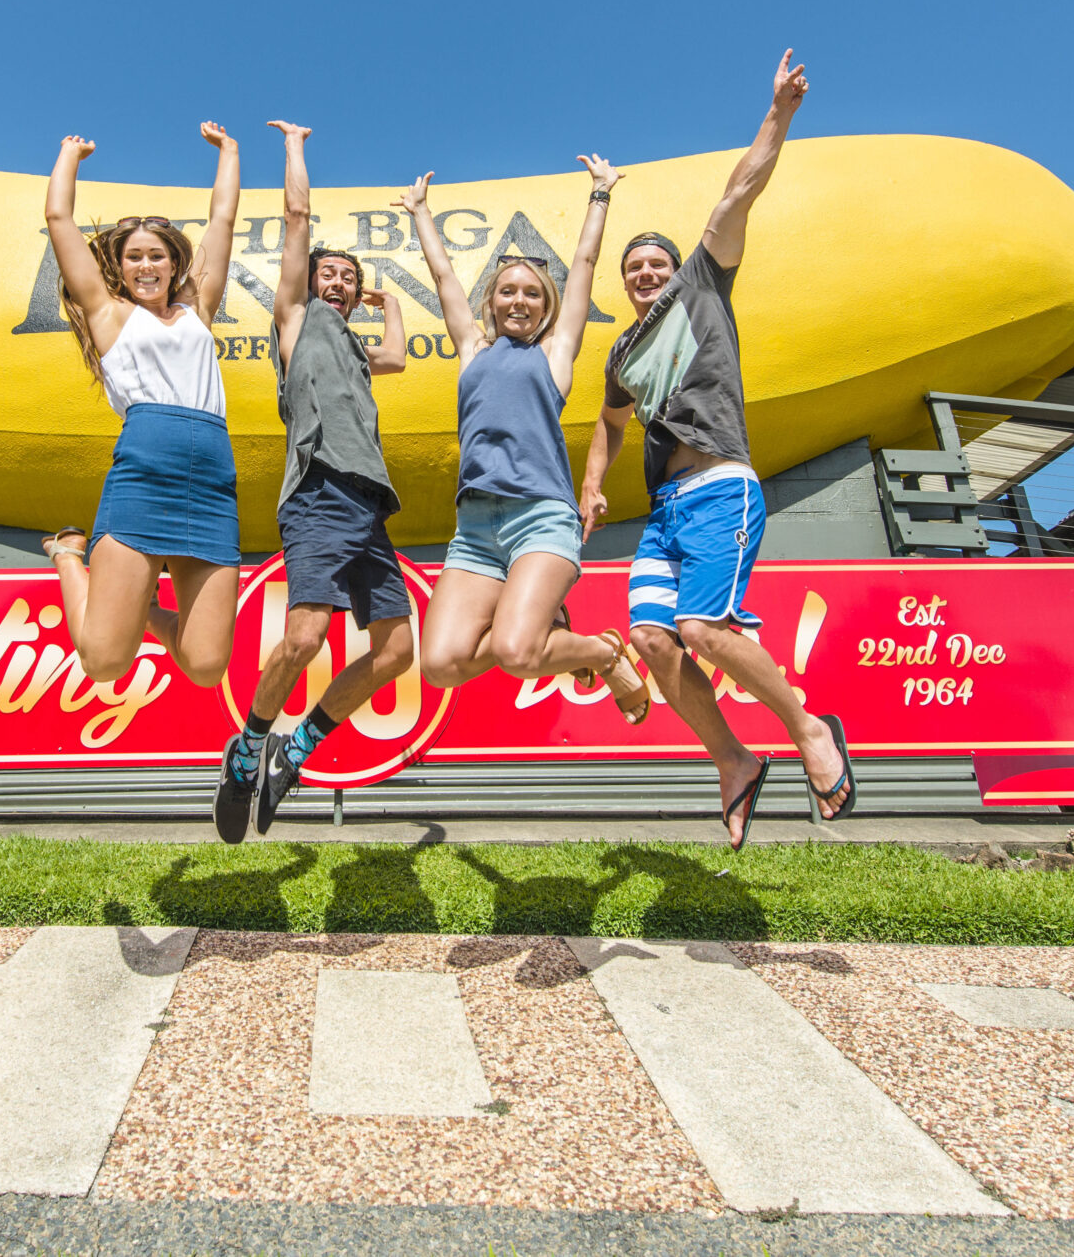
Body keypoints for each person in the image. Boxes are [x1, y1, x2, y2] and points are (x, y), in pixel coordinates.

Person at [578, 50, 854, 846]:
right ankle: (734, 761)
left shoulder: (703, 281)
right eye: (634, 269)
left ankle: (808, 726)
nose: (646, 273)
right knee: (656, 641)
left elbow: (741, 188)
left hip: (720, 487)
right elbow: (609, 418)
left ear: (675, 270)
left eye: (655, 263)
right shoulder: (625, 353)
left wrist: (781, 112)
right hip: (665, 507)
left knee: (704, 628)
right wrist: (594, 483)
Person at [399, 158, 649, 714]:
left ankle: (602, 655)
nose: (518, 301)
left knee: (516, 652)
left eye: (532, 295)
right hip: (474, 531)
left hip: (540, 517)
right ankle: (557, 644)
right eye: (507, 291)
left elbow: (582, 264)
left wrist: (600, 195)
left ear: (546, 308)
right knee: (440, 665)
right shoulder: (472, 352)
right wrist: (420, 213)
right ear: (490, 302)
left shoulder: (554, 356)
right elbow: (443, 279)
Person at [234, 121, 416, 840]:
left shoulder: (357, 350)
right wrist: (295, 146)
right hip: (317, 491)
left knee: (399, 650)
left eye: (350, 278)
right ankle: (247, 746)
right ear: (311, 282)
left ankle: (297, 746)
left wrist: (390, 304)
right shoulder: (295, 319)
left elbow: (397, 355)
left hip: (369, 503)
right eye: (329, 274)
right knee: (305, 638)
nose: (339, 282)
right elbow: (297, 219)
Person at [37, 123, 246, 707]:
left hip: (211, 480)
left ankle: (148, 610)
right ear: (120, 268)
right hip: (143, 474)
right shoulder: (109, 315)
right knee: (104, 662)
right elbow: (60, 222)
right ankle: (69, 556)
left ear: (174, 261)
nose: (146, 266)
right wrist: (69, 154)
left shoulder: (198, 307)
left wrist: (229, 153)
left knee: (206, 666)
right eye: (134, 259)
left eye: (157, 255)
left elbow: (223, 222)